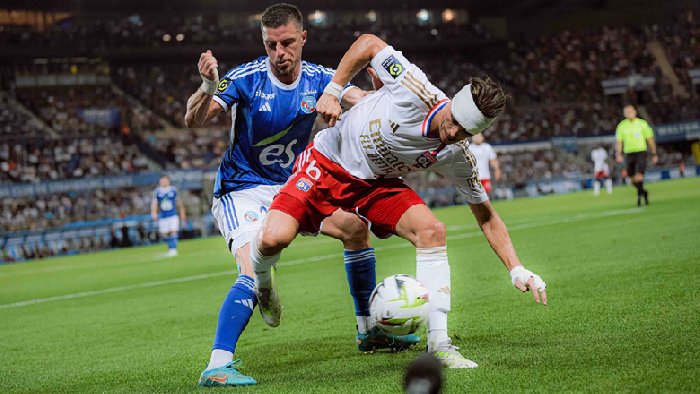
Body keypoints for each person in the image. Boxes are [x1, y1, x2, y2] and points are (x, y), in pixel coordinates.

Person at [250, 34, 548, 369]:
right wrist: (333, 91)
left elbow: (487, 215)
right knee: (273, 239)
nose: (452, 134)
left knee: (432, 230)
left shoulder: (458, 155)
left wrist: (516, 267)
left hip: (376, 183)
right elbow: (368, 43)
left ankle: (440, 342)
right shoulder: (414, 87)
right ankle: (262, 282)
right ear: (450, 103)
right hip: (328, 160)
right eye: (453, 123)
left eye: (464, 133)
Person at [183, 3, 417, 387]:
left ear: (303, 38)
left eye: (287, 43)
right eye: (271, 44)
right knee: (250, 267)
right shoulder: (247, 78)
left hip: (291, 186)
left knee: (356, 229)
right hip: (241, 190)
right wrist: (208, 85)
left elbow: (359, 99)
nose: (280, 53)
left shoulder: (322, 80)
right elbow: (195, 119)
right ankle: (217, 364)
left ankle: (368, 330)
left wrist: (381, 99)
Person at [615, 105, 658, 206]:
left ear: (635, 112)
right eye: (627, 112)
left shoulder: (642, 124)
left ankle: (639, 198)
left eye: (630, 111)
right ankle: (644, 192)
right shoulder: (622, 126)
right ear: (624, 114)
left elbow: (650, 139)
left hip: (641, 152)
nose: (629, 113)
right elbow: (619, 141)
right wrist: (619, 154)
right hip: (629, 153)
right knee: (632, 179)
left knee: (639, 176)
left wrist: (654, 154)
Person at [150, 175, 185, 256]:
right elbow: (154, 203)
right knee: (164, 234)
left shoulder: (173, 190)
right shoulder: (157, 191)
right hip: (163, 216)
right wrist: (154, 213)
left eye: (165, 181)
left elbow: (179, 202)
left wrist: (182, 213)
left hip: (173, 214)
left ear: (168, 181)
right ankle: (171, 248)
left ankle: (173, 249)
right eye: (162, 181)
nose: (164, 182)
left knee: (173, 231)